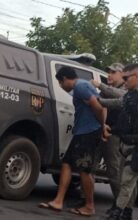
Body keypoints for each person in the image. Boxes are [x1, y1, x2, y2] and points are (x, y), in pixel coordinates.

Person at [39, 66, 106, 217]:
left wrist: (102, 126)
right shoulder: (82, 86)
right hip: (81, 131)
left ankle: (89, 206)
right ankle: (58, 201)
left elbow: (98, 106)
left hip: (88, 132)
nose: (62, 87)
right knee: (67, 163)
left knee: (84, 169)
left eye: (61, 84)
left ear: (64, 79)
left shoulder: (81, 86)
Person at [99, 64, 138, 220]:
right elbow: (119, 103)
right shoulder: (131, 94)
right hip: (127, 144)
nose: (124, 81)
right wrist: (99, 101)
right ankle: (126, 213)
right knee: (127, 181)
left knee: (126, 180)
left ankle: (116, 212)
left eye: (126, 78)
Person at [91, 63, 126, 213]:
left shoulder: (126, 89)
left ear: (122, 74)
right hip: (102, 130)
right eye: (109, 72)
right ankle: (86, 199)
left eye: (113, 72)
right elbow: (101, 105)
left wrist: (100, 86)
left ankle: (120, 206)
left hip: (115, 136)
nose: (109, 75)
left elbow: (121, 97)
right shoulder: (108, 89)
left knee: (113, 172)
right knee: (90, 166)